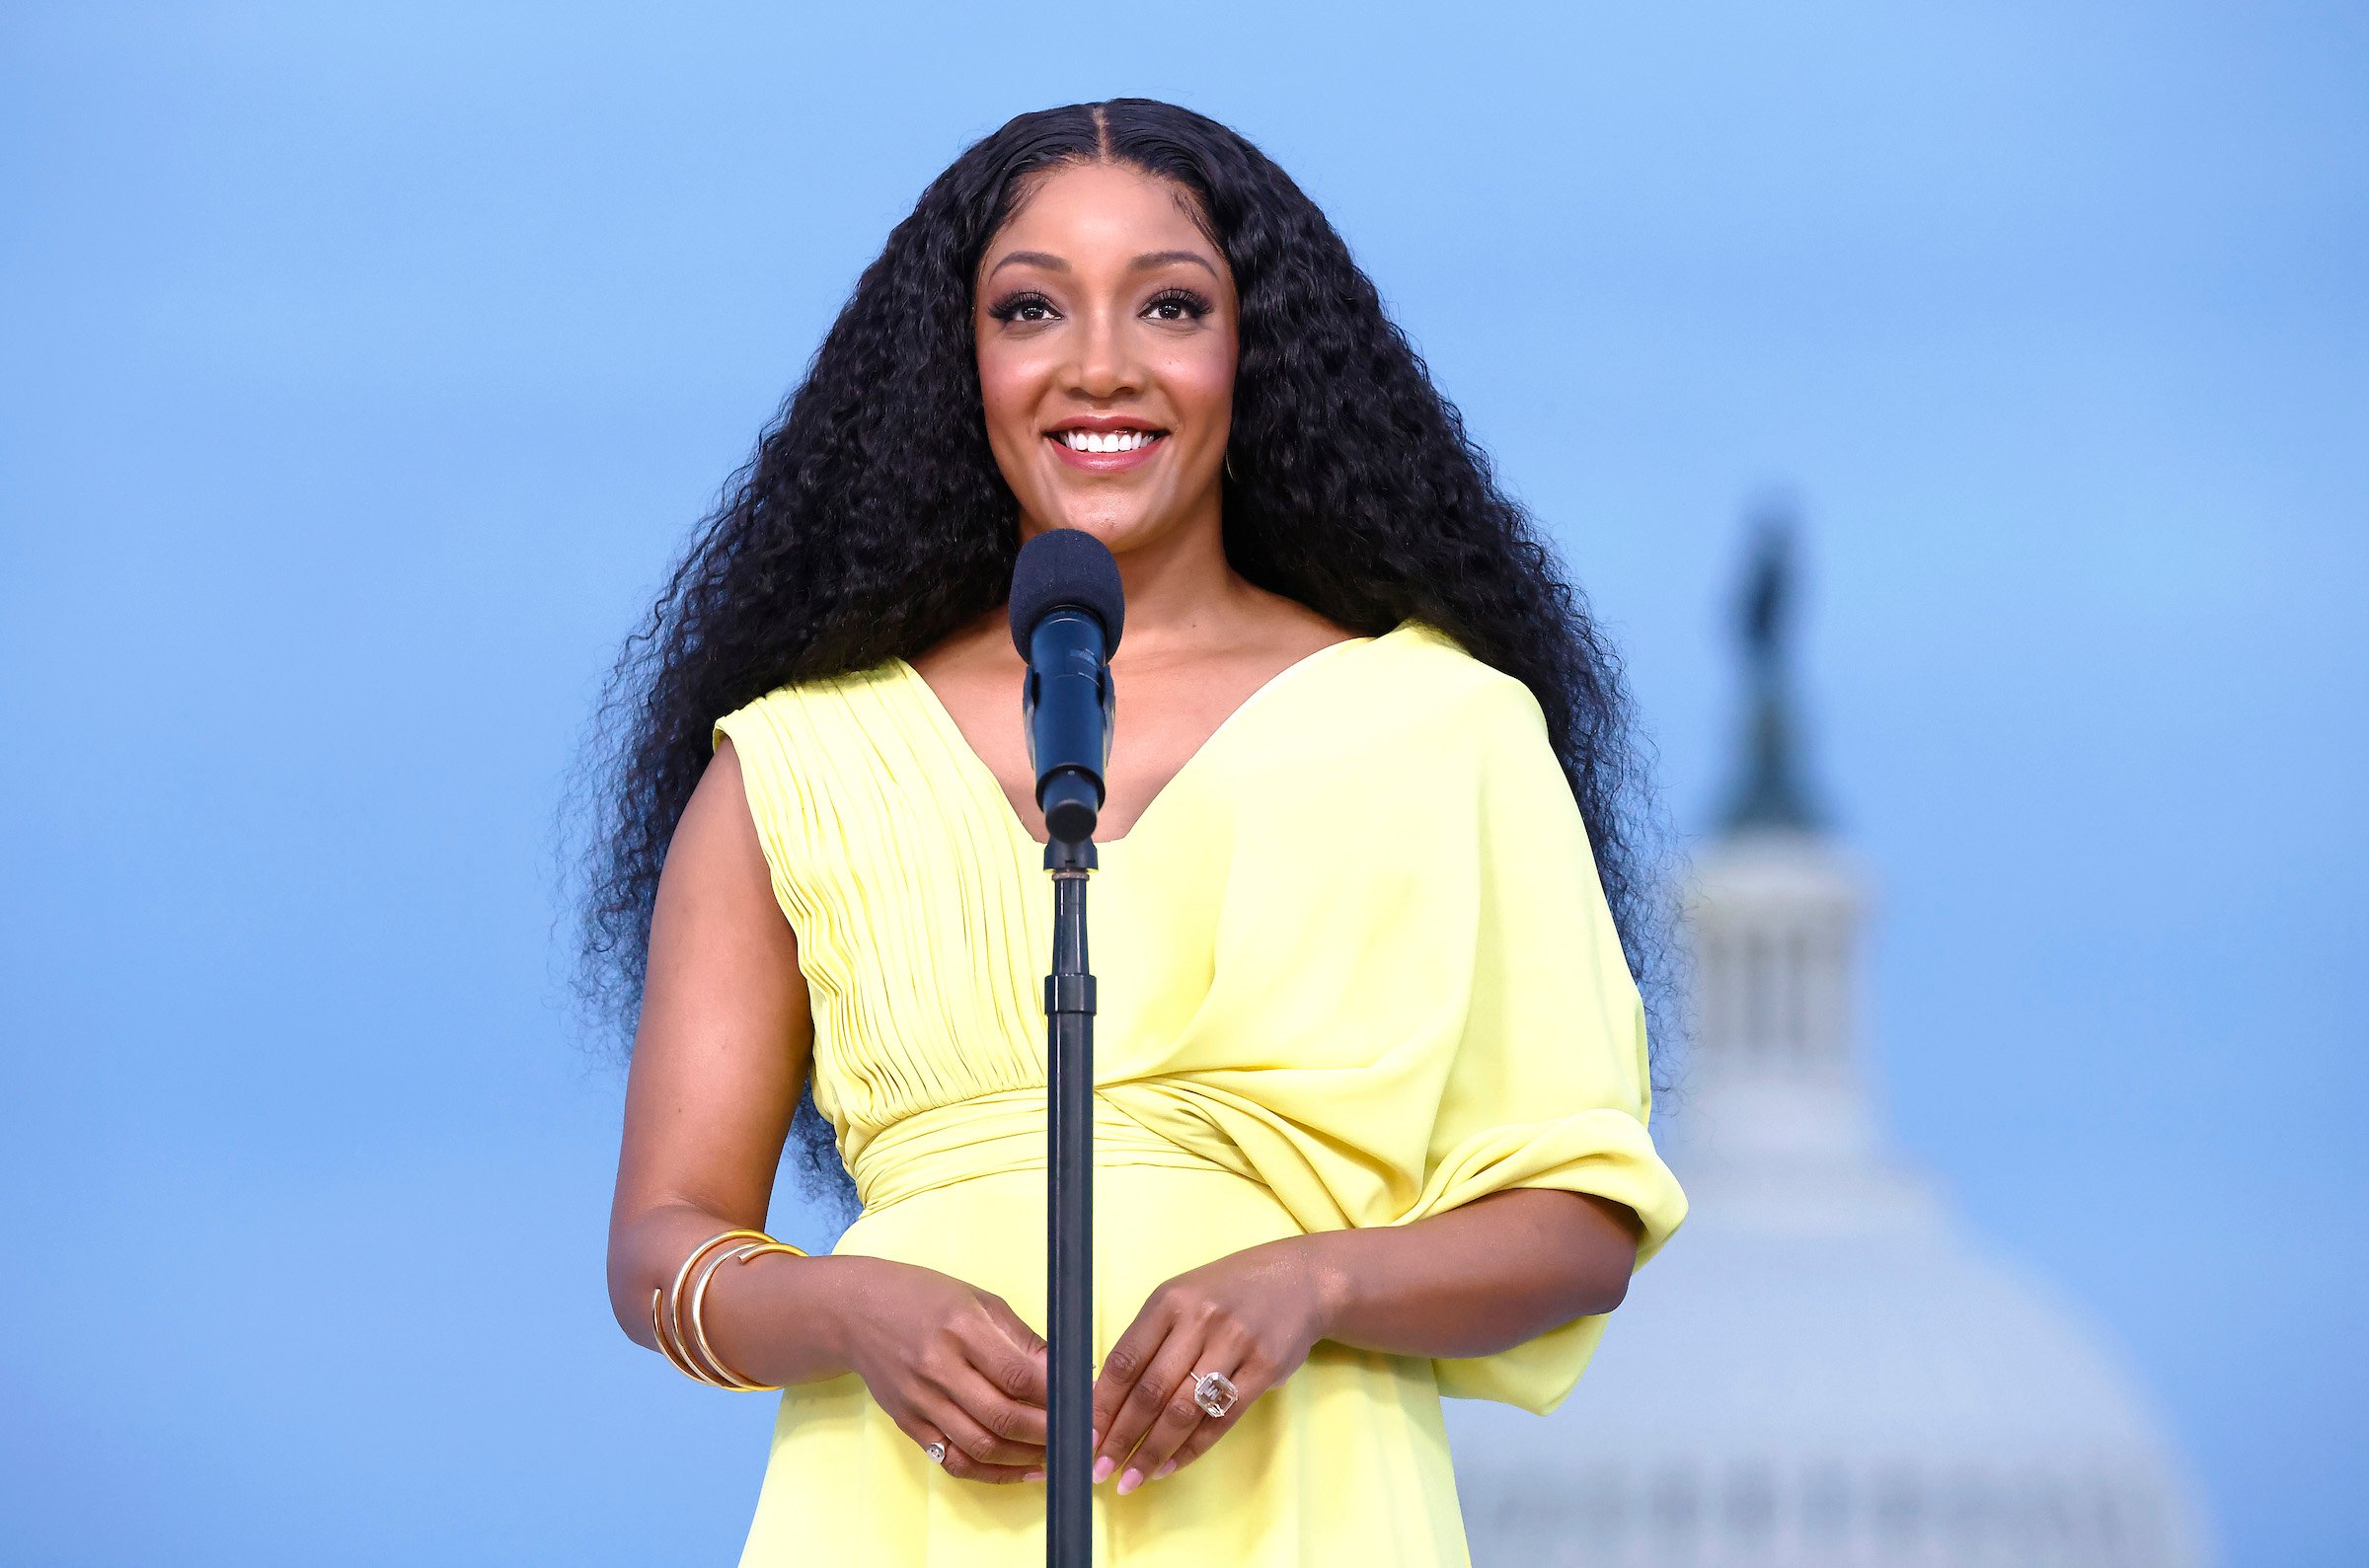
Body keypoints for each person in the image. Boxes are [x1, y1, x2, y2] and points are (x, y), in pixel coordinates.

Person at [581, 99, 1687, 1567]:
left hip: (1304, 1504)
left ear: (1258, 356)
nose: (1100, 363)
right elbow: (664, 1237)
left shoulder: (1449, 730)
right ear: (958, 364)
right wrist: (853, 1307)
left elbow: (1580, 1224)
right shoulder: (794, 761)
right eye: (1031, 307)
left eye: (1171, 303)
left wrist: (1314, 1285)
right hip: (899, 1508)